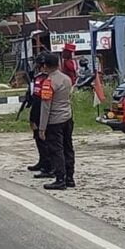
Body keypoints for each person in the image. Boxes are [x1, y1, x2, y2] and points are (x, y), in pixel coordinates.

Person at [38, 53, 75, 190]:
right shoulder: (67, 79)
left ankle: (60, 179)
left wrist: (42, 127)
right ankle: (70, 177)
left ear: (46, 66)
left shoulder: (49, 82)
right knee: (68, 148)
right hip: (68, 117)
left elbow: (46, 106)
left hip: (54, 121)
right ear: (58, 64)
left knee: (56, 150)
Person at [29, 53, 53, 177]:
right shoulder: (37, 77)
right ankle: (42, 161)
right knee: (37, 137)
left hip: (43, 110)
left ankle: (48, 166)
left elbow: (44, 99)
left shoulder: (48, 79)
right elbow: (34, 95)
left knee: (45, 139)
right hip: (36, 108)